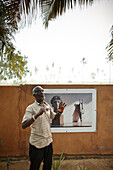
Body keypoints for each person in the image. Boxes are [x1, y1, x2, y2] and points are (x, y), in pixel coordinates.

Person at [22, 86, 66, 170]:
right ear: (34, 95)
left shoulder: (47, 105)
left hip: (48, 142)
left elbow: (54, 117)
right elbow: (24, 125)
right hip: (37, 144)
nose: (42, 93)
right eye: (39, 92)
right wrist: (37, 114)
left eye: (42, 91)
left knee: (47, 166)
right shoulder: (31, 108)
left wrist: (60, 111)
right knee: (34, 167)